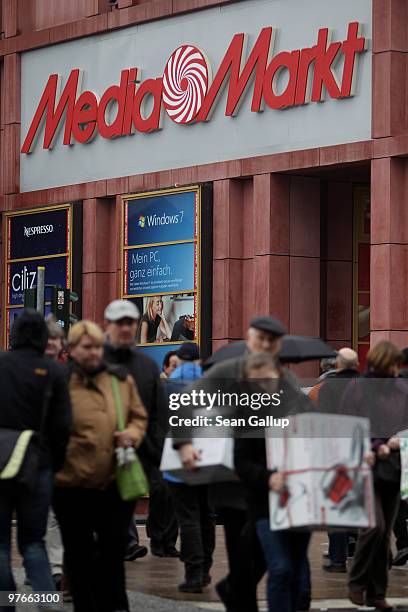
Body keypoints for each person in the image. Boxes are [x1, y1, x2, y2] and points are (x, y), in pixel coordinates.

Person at [175, 316, 310, 612]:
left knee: (264, 555)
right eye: (260, 339)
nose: (265, 345)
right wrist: (184, 443)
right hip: (232, 482)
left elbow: (308, 417)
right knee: (241, 556)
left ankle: (232, 587)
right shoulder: (227, 372)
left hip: (269, 484)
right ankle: (240, 597)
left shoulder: (285, 379)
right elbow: (185, 401)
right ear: (249, 339)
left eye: (271, 341)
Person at [53, 320, 147, 612]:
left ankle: (113, 605)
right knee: (79, 557)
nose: (94, 352)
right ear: (71, 350)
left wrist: (131, 435)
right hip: (70, 483)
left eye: (97, 347)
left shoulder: (119, 380)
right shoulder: (59, 381)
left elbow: (138, 417)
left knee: (111, 554)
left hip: (113, 481)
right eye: (86, 347)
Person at [0, 310, 72, 612]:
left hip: (1, 462)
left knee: (1, 545)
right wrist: (52, 464)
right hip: (38, 464)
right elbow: (63, 426)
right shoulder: (53, 372)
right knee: (33, 542)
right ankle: (47, 605)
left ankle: (7, 604)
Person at [234, 352, 312, 612]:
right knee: (280, 567)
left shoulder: (300, 403)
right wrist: (268, 478)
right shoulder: (245, 412)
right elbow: (241, 462)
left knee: (297, 568)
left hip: (300, 497)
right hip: (263, 502)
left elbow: (323, 440)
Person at [104, 299, 179, 559]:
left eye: (129, 323)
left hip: (142, 450)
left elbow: (159, 413)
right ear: (109, 326)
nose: (125, 329)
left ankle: (150, 541)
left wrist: (158, 454)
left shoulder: (146, 366)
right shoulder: (94, 361)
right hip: (103, 453)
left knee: (158, 493)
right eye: (119, 323)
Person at [341, 340, 408, 611]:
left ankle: (376, 593)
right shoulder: (357, 388)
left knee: (384, 536)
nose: (395, 370)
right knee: (373, 527)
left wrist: (396, 442)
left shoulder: (402, 389)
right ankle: (356, 582)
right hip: (364, 465)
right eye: (391, 365)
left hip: (393, 466)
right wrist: (374, 446)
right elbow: (347, 428)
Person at [168, 343, 216, 593]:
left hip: (177, 458)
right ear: (198, 360)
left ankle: (193, 573)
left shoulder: (170, 384)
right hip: (207, 458)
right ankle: (206, 568)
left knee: (187, 517)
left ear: (178, 359)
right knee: (206, 515)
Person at [318, 348, 360, 573]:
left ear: (338, 364)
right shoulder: (366, 385)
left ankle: (337, 558)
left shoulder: (328, 388)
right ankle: (356, 545)